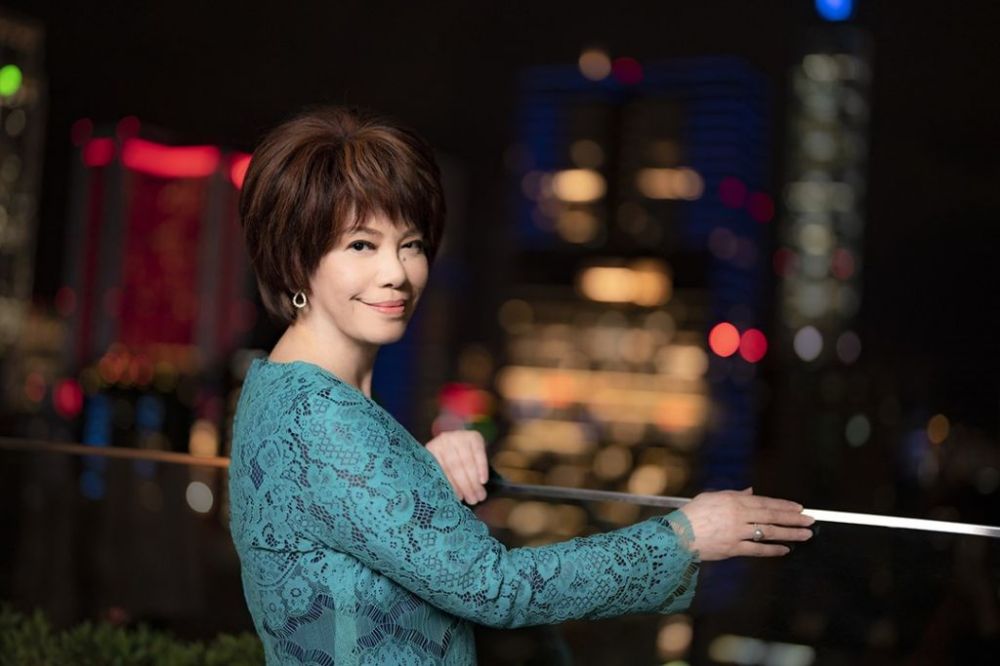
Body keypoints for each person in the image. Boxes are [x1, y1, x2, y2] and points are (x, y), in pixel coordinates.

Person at [228, 106, 815, 665]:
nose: (396, 273)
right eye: (361, 244)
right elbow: (495, 589)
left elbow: (348, 531)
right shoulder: (323, 417)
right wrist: (687, 535)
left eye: (411, 244)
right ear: (297, 257)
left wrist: (422, 471)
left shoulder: (278, 385)